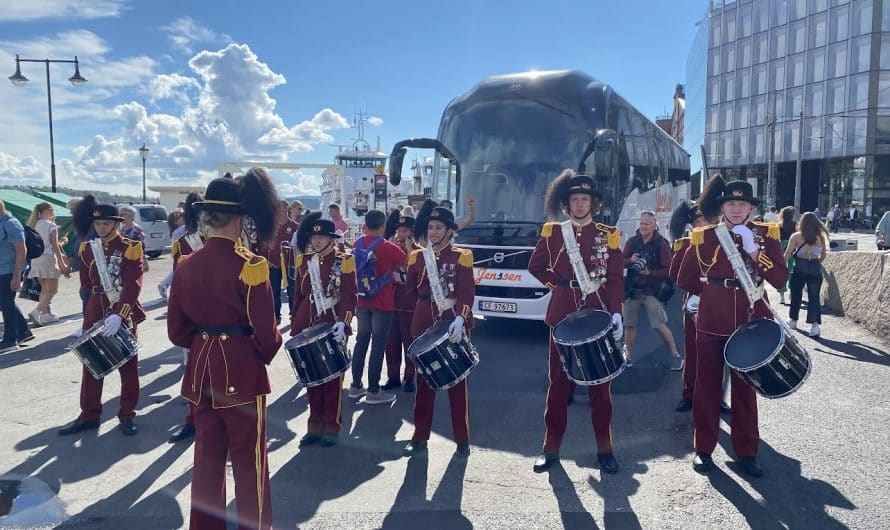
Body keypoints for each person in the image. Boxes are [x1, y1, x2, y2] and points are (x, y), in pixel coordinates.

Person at [167, 168, 282, 529]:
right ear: (239, 218)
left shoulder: (185, 264)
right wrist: (257, 353)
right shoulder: (250, 266)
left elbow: (176, 331)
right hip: (241, 370)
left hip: (200, 369)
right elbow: (267, 334)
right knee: (250, 465)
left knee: (207, 461)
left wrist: (205, 341)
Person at [677, 176, 788, 476]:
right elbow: (684, 278)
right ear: (722, 206)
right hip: (713, 319)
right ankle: (703, 449)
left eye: (742, 204)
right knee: (707, 386)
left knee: (745, 389)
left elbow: (779, 279)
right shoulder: (704, 237)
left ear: (752, 208)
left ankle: (747, 451)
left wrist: (755, 252)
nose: (736, 209)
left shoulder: (766, 235)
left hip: (751, 320)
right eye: (731, 203)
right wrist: (710, 296)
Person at [527, 170, 625, 474]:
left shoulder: (608, 234)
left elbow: (616, 277)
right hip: (562, 315)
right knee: (557, 385)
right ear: (567, 204)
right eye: (575, 199)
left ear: (593, 203)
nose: (580, 204)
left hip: (596, 314)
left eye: (585, 199)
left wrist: (617, 311)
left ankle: (605, 450)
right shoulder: (553, 232)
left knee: (600, 389)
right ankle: (550, 449)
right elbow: (536, 266)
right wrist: (557, 284)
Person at [59, 195, 146, 436]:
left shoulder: (130, 248)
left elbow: (133, 284)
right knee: (91, 362)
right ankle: (89, 414)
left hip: (121, 308)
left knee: (128, 364)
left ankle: (127, 414)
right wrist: (92, 310)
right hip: (97, 307)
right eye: (98, 224)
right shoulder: (88, 249)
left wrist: (120, 314)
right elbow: (87, 284)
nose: (101, 228)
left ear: (116, 224)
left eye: (106, 224)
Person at [402, 202, 475, 458]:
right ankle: (419, 437)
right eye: (430, 227)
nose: (433, 232)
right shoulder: (417, 256)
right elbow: (409, 289)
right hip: (423, 322)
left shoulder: (461, 256)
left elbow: (467, 293)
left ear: (449, 231)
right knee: (424, 383)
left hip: (451, 320)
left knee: (457, 382)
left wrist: (461, 319)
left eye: (438, 227)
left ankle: (462, 439)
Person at [289, 212, 357, 446]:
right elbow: (298, 294)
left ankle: (331, 427)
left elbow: (349, 295)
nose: (316, 241)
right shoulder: (303, 261)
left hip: (332, 321)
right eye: (314, 237)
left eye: (322, 237)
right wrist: (294, 322)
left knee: (332, 379)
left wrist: (344, 322)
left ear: (332, 238)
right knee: (312, 378)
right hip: (306, 322)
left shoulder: (344, 261)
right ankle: (314, 426)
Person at [346, 209, 407, 403]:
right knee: (378, 345)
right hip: (382, 303)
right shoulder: (387, 247)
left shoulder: (357, 243)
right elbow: (407, 263)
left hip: (361, 301)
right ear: (382, 227)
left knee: (361, 342)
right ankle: (373, 390)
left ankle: (355, 386)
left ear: (365, 224)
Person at [622, 211, 681, 369]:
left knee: (659, 324)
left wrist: (650, 273)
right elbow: (620, 262)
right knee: (629, 325)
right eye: (642, 223)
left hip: (652, 290)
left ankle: (675, 355)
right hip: (633, 289)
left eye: (647, 223)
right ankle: (626, 357)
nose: (643, 226)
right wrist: (630, 260)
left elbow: (669, 271)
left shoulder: (662, 244)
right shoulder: (632, 242)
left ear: (655, 225)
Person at [167, 192, 204, 444]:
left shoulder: (231, 239)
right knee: (193, 370)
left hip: (224, 316)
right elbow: (179, 284)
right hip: (196, 315)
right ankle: (192, 419)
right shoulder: (183, 244)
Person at [383, 210, 419, 393]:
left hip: (409, 303)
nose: (402, 233)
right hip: (391, 301)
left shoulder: (419, 250)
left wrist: (411, 247)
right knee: (391, 343)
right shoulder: (391, 245)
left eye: (406, 230)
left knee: (409, 341)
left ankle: (409, 378)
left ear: (412, 232)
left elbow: (416, 273)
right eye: (400, 230)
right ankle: (393, 377)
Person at [785, 212, 829, 337]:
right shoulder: (820, 238)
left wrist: (782, 267)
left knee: (796, 295)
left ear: (801, 223)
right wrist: (815, 263)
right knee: (814, 298)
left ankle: (793, 320)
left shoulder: (796, 236)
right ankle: (814, 327)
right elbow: (824, 255)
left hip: (799, 268)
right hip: (815, 268)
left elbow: (787, 254)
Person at [26, 202, 70, 326]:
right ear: (44, 212)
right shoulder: (51, 226)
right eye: (51, 211)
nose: (53, 213)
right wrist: (62, 265)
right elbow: (55, 247)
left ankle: (44, 314)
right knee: (52, 289)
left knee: (45, 289)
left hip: (36, 258)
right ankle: (37, 311)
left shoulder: (32, 225)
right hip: (48, 258)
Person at [256, 200, 299, 323]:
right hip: (273, 264)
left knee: (293, 292)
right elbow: (262, 244)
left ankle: (294, 315)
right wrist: (265, 260)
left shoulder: (295, 227)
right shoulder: (269, 227)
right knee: (274, 292)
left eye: (282, 208)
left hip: (290, 265)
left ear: (287, 209)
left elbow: (300, 246)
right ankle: (275, 317)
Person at [0, 200, 34, 353]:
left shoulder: (11, 224)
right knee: (5, 303)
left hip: (9, 270)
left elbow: (22, 251)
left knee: (6, 304)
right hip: (2, 270)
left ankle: (10, 340)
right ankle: (23, 331)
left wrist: (16, 276)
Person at [157, 210, 185, 300]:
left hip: (180, 256)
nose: (184, 216)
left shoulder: (177, 231)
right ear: (176, 222)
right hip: (182, 255)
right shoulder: (181, 230)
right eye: (181, 215)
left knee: (176, 271)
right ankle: (166, 285)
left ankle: (164, 284)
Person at [776, 206, 796, 305]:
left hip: (781, 247)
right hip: (792, 246)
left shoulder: (779, 225)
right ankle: (792, 293)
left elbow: (777, 238)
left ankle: (782, 296)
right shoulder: (795, 224)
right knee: (792, 270)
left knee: (781, 270)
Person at [119, 205, 148, 272]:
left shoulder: (137, 229)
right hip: (125, 258)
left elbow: (142, 245)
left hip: (134, 259)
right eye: (119, 214)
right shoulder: (123, 229)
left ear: (131, 215)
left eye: (123, 214)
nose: (120, 216)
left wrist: (144, 259)